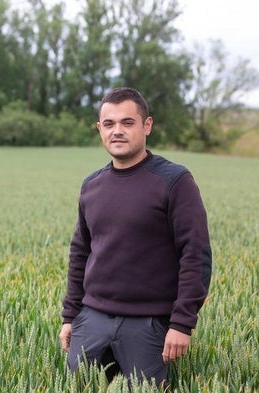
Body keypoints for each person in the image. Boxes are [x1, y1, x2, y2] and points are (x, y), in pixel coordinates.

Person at [58, 87, 212, 388]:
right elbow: (80, 252)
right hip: (92, 320)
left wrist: (182, 324)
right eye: (109, 124)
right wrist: (70, 316)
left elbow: (196, 255)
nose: (117, 131)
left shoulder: (174, 181)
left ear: (147, 126)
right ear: (100, 129)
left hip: (149, 325)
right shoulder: (92, 186)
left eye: (127, 122)